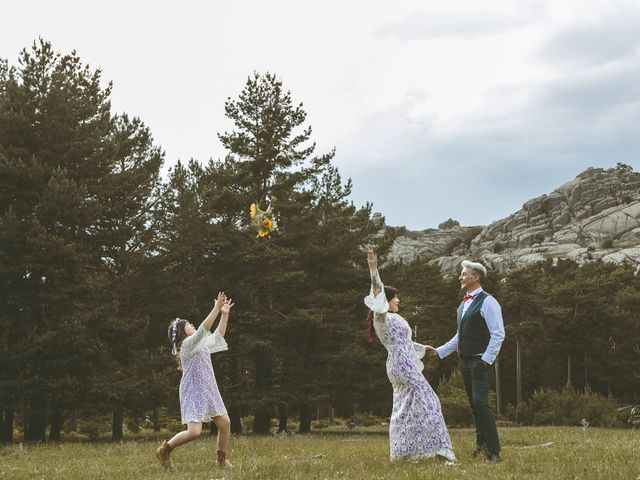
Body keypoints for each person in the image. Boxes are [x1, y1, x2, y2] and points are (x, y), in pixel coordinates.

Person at [364, 250, 457, 464]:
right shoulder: (382, 318)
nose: (398, 299)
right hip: (403, 367)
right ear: (386, 301)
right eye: (395, 296)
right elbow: (377, 293)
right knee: (430, 402)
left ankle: (403, 453)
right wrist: (373, 269)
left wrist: (423, 348)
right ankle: (443, 451)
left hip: (400, 366)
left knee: (403, 409)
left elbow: (404, 343)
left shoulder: (395, 318)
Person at [425, 260, 505, 463]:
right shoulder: (463, 305)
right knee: (473, 405)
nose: (460, 277)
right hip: (465, 361)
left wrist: (485, 360)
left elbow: (498, 335)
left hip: (480, 361)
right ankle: (482, 445)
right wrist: (440, 351)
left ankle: (494, 452)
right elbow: (460, 335)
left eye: (464, 274)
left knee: (480, 402)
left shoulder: (488, 302)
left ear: (476, 277)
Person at [155, 292, 235, 471]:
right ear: (184, 332)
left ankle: (221, 461)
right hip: (193, 390)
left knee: (225, 423)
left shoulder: (200, 343)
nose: (192, 325)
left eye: (192, 323)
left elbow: (217, 336)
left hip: (208, 388)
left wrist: (224, 314)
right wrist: (215, 308)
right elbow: (203, 329)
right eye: (188, 324)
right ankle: (164, 450)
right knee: (194, 432)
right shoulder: (186, 345)